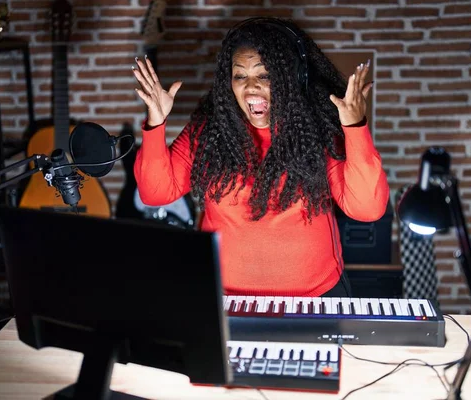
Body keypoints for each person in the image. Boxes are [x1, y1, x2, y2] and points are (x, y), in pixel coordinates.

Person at [131, 17, 389, 298]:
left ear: (290, 78)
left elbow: (367, 208)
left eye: (265, 75)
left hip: (315, 299)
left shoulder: (318, 131)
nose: (251, 86)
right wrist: (155, 124)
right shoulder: (210, 131)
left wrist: (355, 126)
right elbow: (155, 193)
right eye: (240, 75)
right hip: (226, 300)